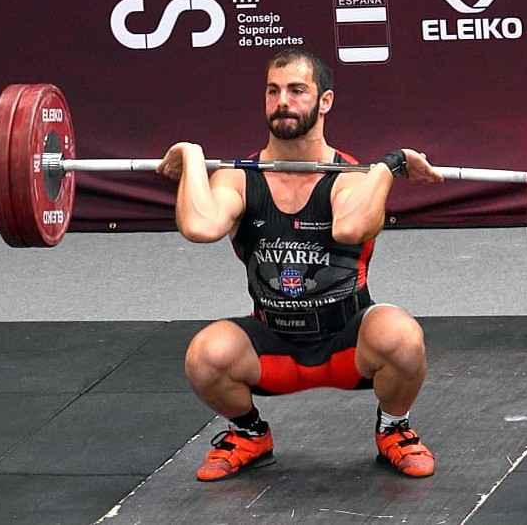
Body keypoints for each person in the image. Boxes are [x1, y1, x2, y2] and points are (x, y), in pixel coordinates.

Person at [156, 48, 443, 481]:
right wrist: (193, 156)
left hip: (350, 343)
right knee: (205, 356)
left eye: (296, 90)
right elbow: (199, 226)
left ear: (324, 101)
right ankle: (249, 432)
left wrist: (388, 165)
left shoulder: (350, 178)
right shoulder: (238, 178)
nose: (282, 102)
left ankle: (393, 428)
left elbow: (352, 229)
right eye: (273, 91)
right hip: (272, 345)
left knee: (402, 337)